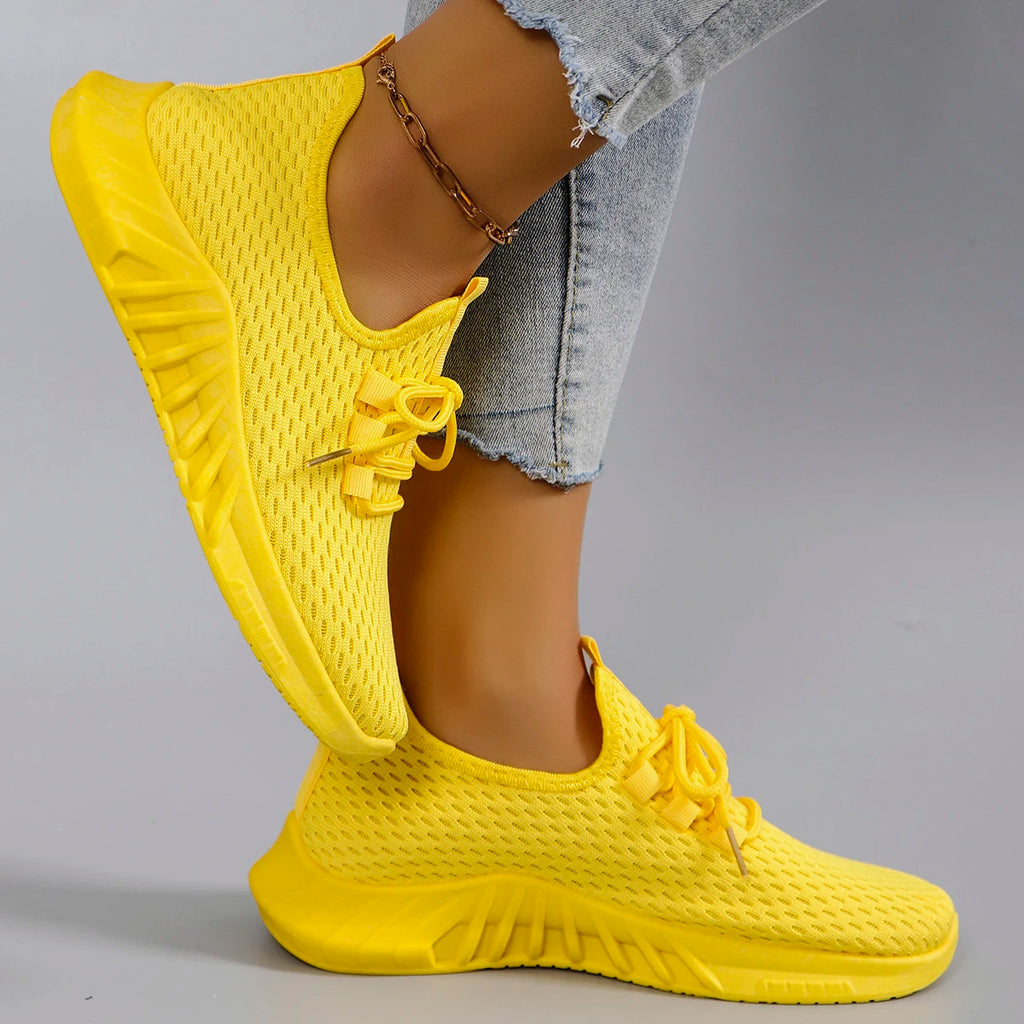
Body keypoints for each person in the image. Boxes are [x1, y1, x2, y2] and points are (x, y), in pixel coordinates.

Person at [50, 0, 957, 1003]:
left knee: (590, 112)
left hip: (458, 734)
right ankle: (371, 199)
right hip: (347, 195)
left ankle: (476, 701)